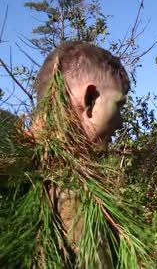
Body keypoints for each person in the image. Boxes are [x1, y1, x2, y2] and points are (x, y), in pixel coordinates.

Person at [0, 41, 148, 268]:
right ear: (89, 99)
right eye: (118, 106)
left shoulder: (20, 170)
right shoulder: (68, 196)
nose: (120, 123)